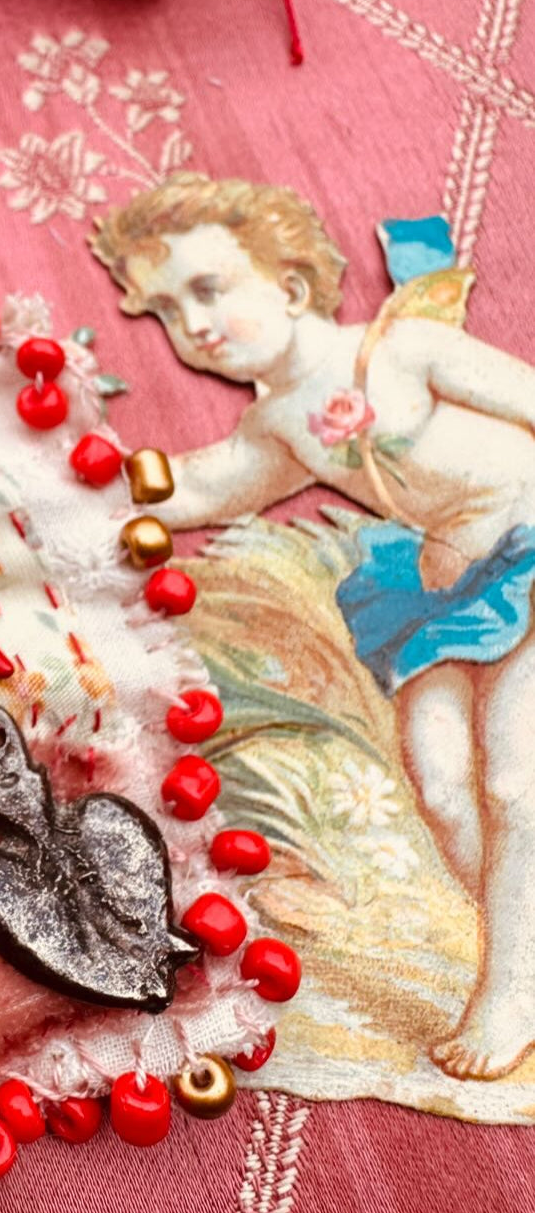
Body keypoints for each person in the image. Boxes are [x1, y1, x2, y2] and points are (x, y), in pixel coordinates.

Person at [93, 172, 535, 1081]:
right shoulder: (281, 423)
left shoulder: (403, 347)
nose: (194, 324)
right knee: (445, 785)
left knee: (516, 781)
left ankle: (511, 989)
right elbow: (204, 487)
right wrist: (76, 468)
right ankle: (520, 943)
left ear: (289, 286)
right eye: (171, 311)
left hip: (531, 533)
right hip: (447, 588)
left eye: (209, 288)